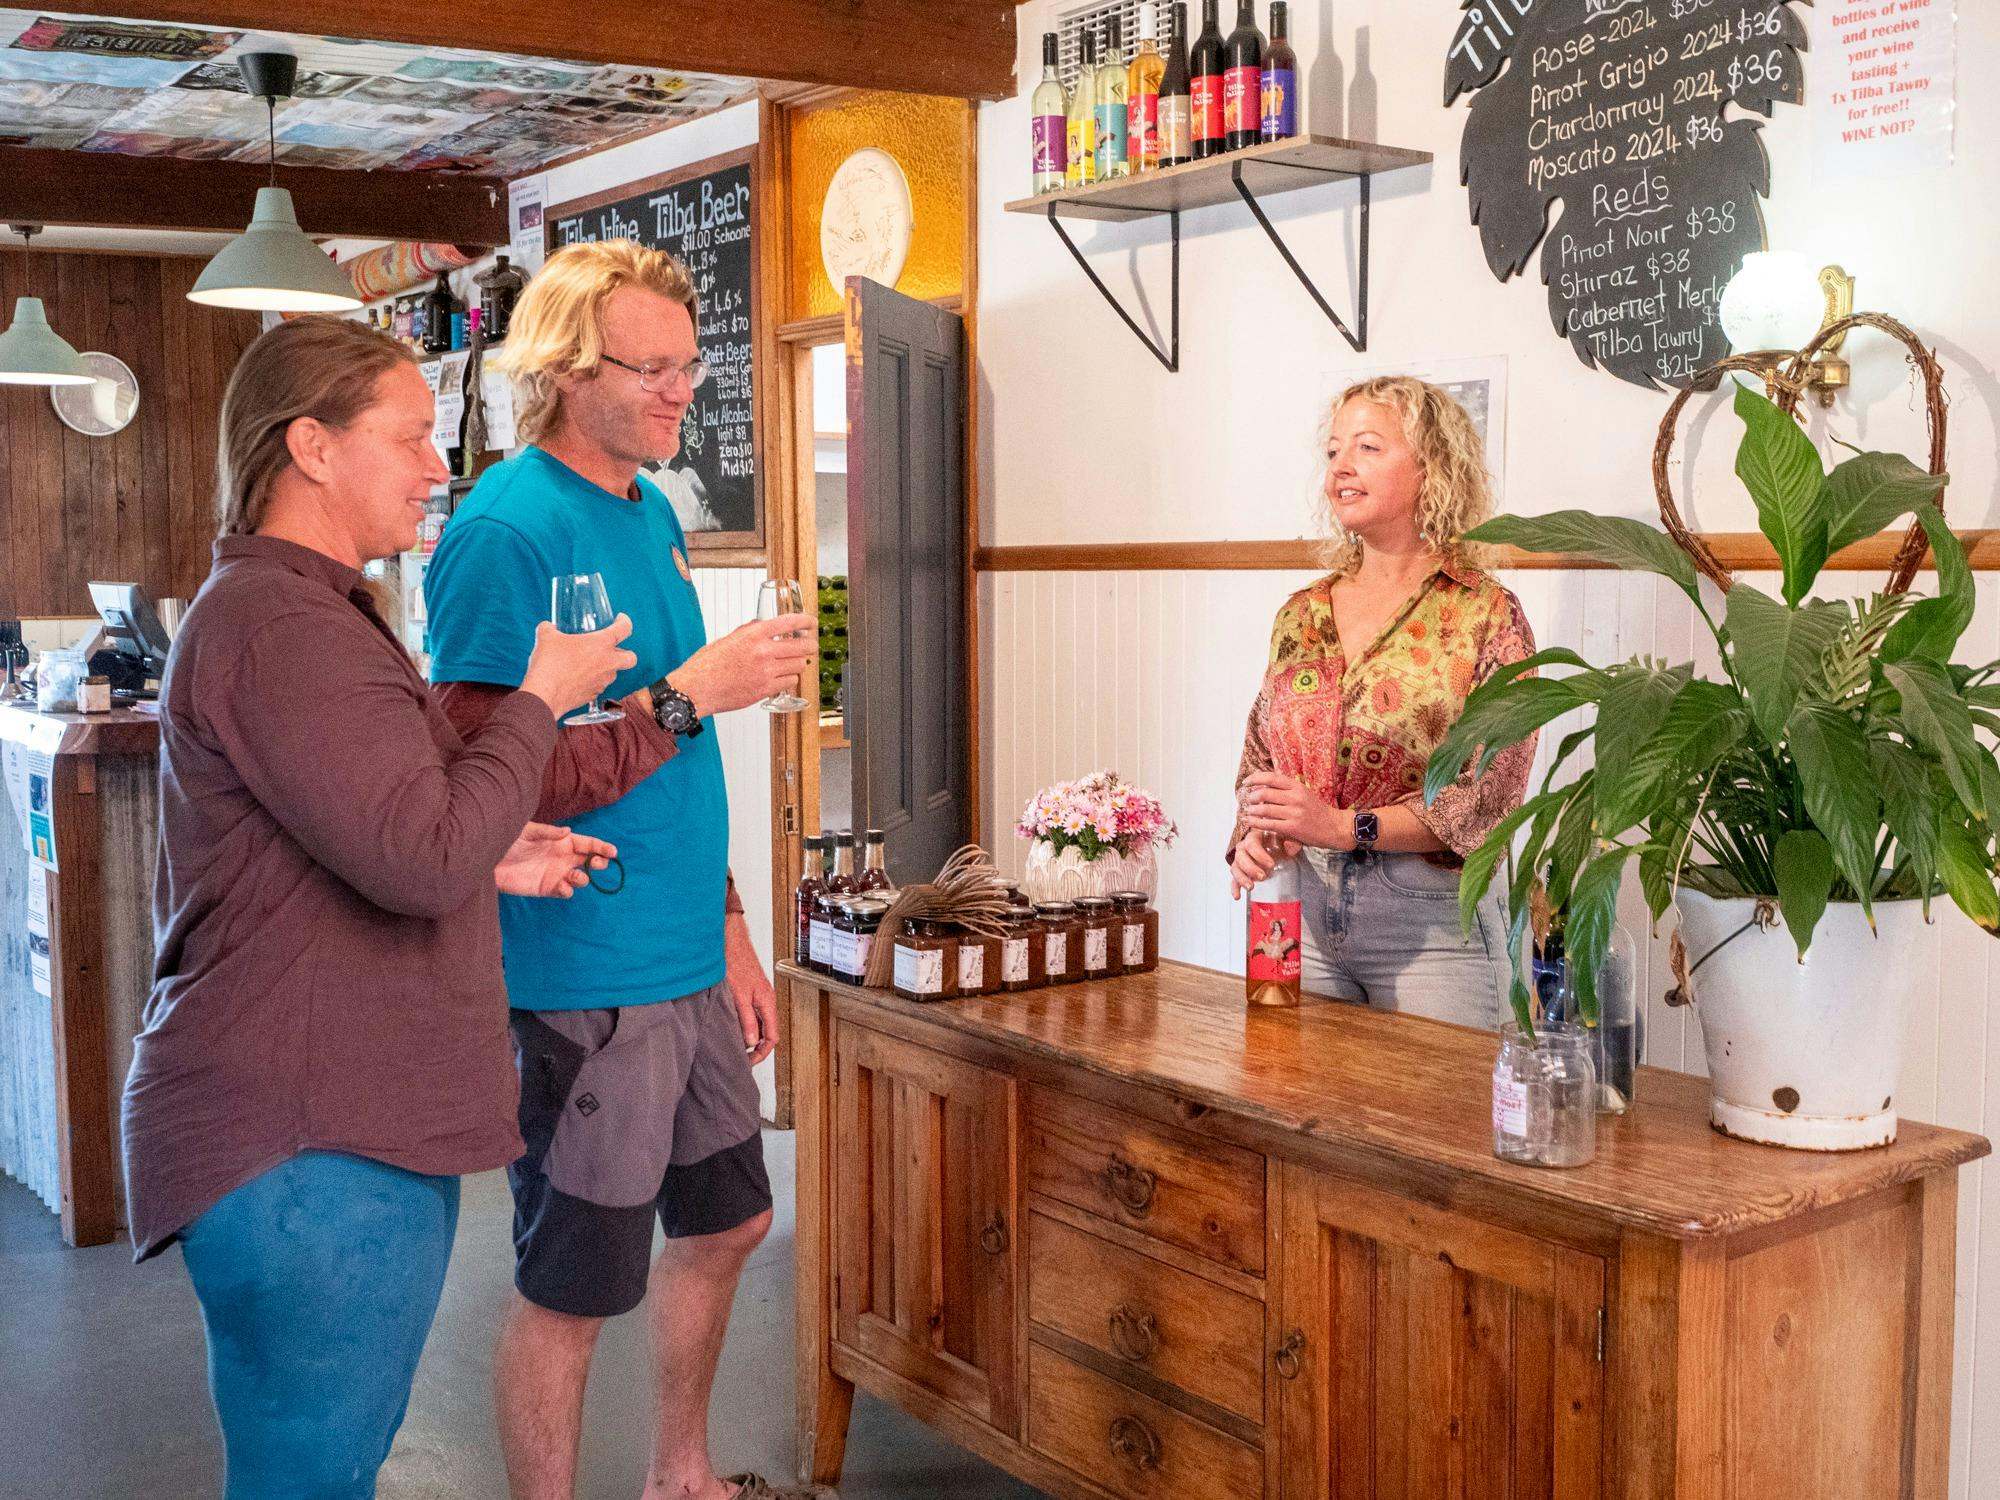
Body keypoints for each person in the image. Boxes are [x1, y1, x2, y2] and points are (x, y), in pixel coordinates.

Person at [120, 315, 636, 1500]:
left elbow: (367, 832)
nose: (438, 464)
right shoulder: (282, 625)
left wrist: (485, 853)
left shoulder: (296, 612)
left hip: (310, 1133)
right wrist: (540, 696)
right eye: (411, 436)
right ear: (310, 446)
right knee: (311, 1473)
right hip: (312, 1142)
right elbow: (412, 855)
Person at [420, 239, 820, 1500]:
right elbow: (488, 782)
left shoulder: (652, 510)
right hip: (580, 962)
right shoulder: (502, 530)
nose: (677, 394)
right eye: (648, 369)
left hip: (685, 958)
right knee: (575, 1279)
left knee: (729, 1221)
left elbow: (674, 768)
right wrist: (691, 695)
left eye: (687, 367)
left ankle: (680, 1477)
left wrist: (734, 931)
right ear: (561, 368)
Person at [1229, 375, 1536, 1027]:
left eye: (1367, 447)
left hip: (1431, 921)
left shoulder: (1485, 613)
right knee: (1274, 1098)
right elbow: (1262, 755)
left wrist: (1342, 827)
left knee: (1428, 1124)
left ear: (1434, 467)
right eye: (1334, 450)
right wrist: (1258, 834)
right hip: (1290, 911)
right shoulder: (1299, 614)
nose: (1341, 464)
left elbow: (1488, 795)